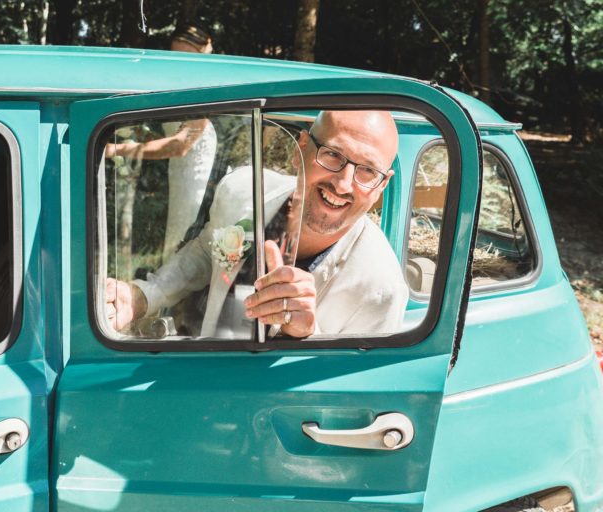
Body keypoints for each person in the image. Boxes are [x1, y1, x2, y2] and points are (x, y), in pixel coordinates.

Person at [106, 110, 409, 338]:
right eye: (332, 155)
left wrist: (308, 335)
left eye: (368, 171)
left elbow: (351, 402)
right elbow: (205, 252)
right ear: (299, 148)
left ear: (382, 186)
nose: (343, 184)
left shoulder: (380, 289)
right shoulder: (241, 190)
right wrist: (145, 295)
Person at [105, 21, 217, 257]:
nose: (179, 63)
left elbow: (179, 146)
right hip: (177, 173)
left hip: (195, 177)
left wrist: (119, 149)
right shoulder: (179, 87)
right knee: (175, 230)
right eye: (174, 56)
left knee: (186, 232)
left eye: (187, 57)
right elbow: (168, 135)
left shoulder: (203, 89)